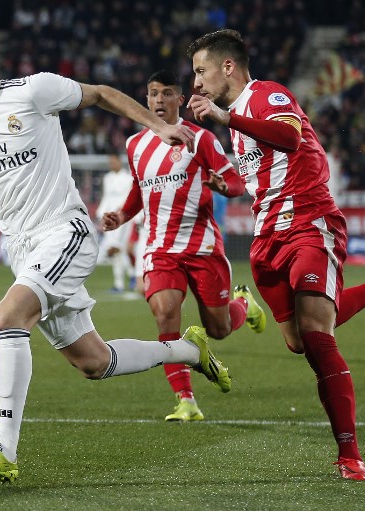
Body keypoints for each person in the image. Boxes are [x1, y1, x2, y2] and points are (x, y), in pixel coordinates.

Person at [0, 32, 233, 483]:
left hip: (66, 231)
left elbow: (100, 94)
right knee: (94, 362)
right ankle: (186, 349)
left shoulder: (32, 91)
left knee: (8, 316)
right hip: (22, 251)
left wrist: (156, 126)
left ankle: (3, 446)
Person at [186, 29, 365, 480]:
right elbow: (257, 176)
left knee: (317, 337)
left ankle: (350, 455)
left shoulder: (267, 96)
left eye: (200, 71)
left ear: (228, 66)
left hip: (309, 224)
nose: (195, 83)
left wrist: (225, 118)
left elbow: (288, 138)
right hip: (267, 240)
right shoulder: (237, 118)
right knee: (296, 339)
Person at [102, 69, 266, 422]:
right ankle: (186, 400)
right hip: (160, 250)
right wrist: (121, 215)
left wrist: (223, 186)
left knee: (219, 329)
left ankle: (243, 304)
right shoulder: (135, 145)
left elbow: (236, 181)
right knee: (165, 315)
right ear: (145, 99)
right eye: (152, 93)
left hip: (202, 248)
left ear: (181, 99)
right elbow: (138, 193)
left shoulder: (200, 139)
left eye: (166, 93)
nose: (158, 100)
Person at [95, 153, 134, 292]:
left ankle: (120, 284)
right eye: (109, 162)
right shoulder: (107, 178)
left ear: (119, 161)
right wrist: (100, 212)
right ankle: (131, 275)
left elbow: (130, 198)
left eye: (113, 161)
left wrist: (122, 211)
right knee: (118, 249)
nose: (111, 164)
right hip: (109, 218)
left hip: (123, 217)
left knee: (115, 248)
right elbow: (106, 196)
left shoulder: (128, 178)